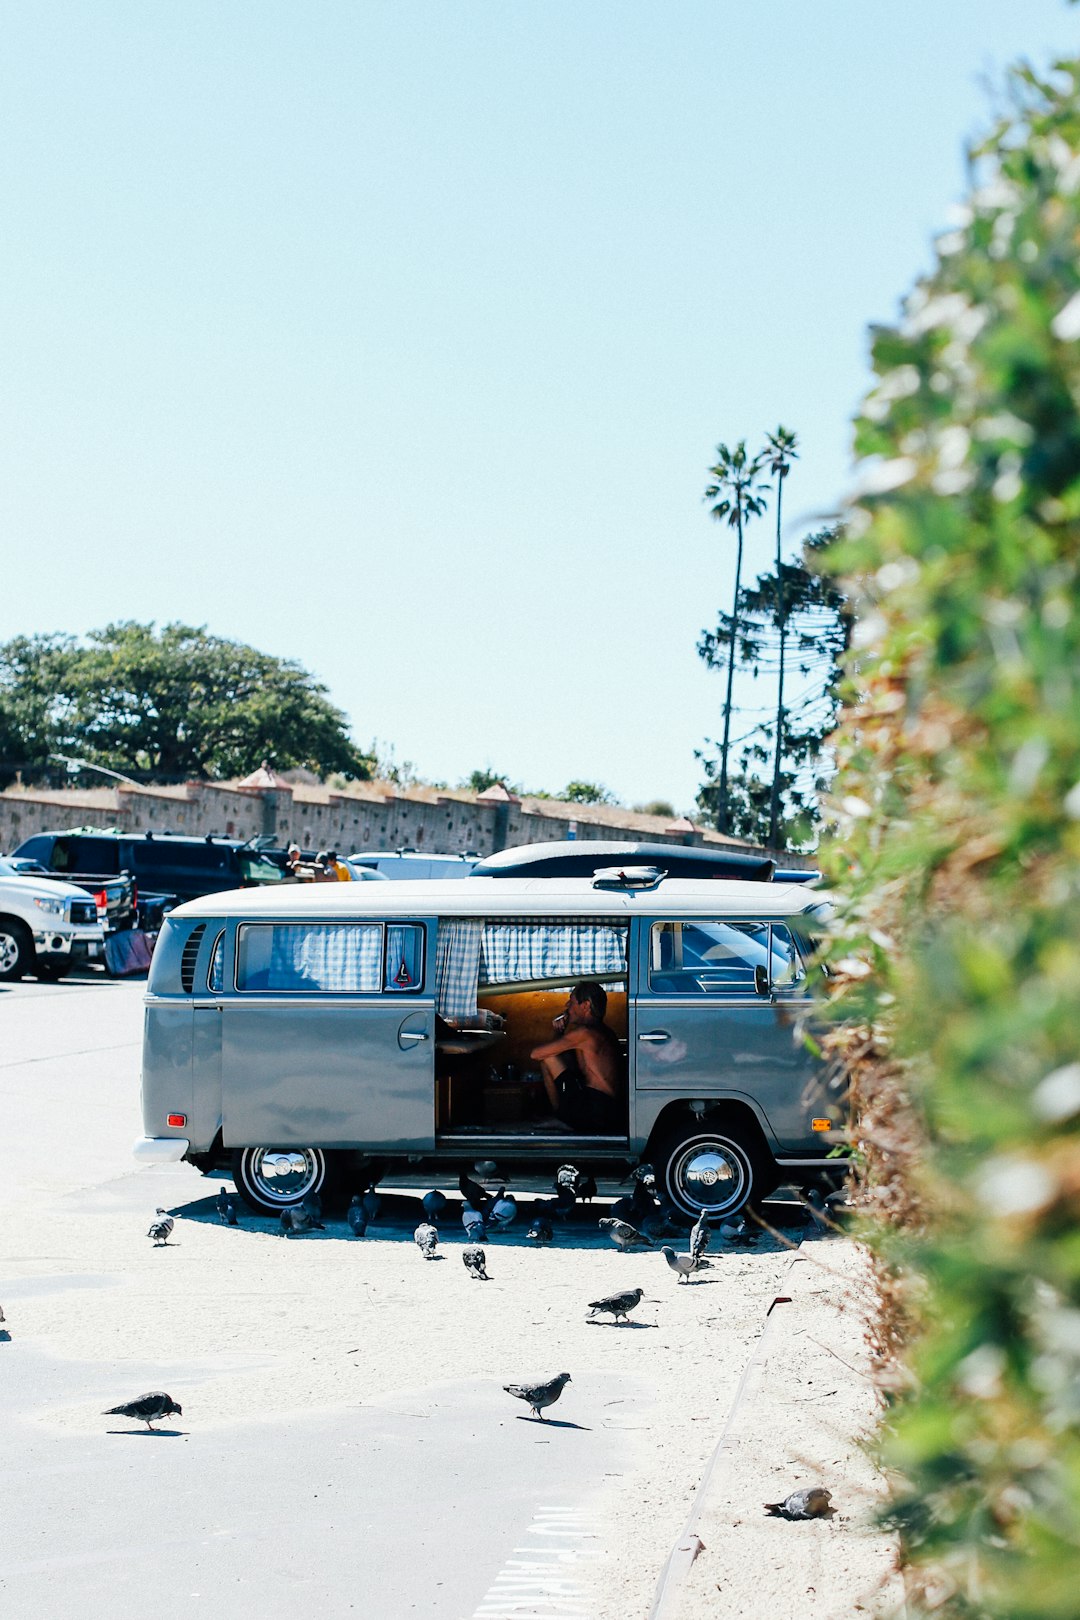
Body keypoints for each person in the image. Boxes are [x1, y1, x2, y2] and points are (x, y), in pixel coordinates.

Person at [531, 982, 623, 1134]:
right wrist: (560, 1030)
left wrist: (559, 1030)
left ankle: (562, 1118)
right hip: (607, 1110)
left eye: (571, 1001)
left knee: (547, 1059)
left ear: (585, 1005)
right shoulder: (603, 1031)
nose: (567, 1005)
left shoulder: (585, 1034)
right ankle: (565, 1117)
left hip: (597, 1113)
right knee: (557, 1058)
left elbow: (536, 1053)